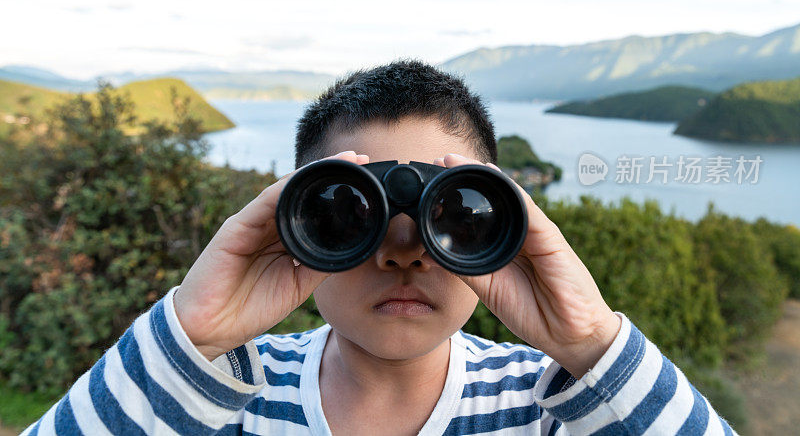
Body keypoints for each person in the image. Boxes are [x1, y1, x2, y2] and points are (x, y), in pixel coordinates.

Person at [22, 60, 736, 435]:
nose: (403, 253)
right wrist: (191, 332)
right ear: (287, 223)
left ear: (509, 228)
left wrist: (591, 342)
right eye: (341, 217)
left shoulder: (555, 405)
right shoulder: (215, 394)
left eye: (455, 216)